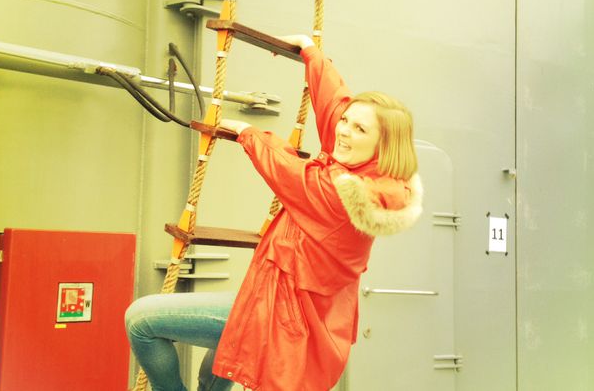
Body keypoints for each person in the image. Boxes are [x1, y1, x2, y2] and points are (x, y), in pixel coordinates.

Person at [125, 35, 424, 391]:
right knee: (214, 370)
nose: (343, 131)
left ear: (382, 145)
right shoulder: (369, 169)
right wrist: (312, 55)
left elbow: (287, 170)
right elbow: (335, 105)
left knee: (141, 321)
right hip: (286, 307)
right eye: (346, 121)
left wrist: (248, 132)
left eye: (358, 128)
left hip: (282, 319)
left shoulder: (343, 194)